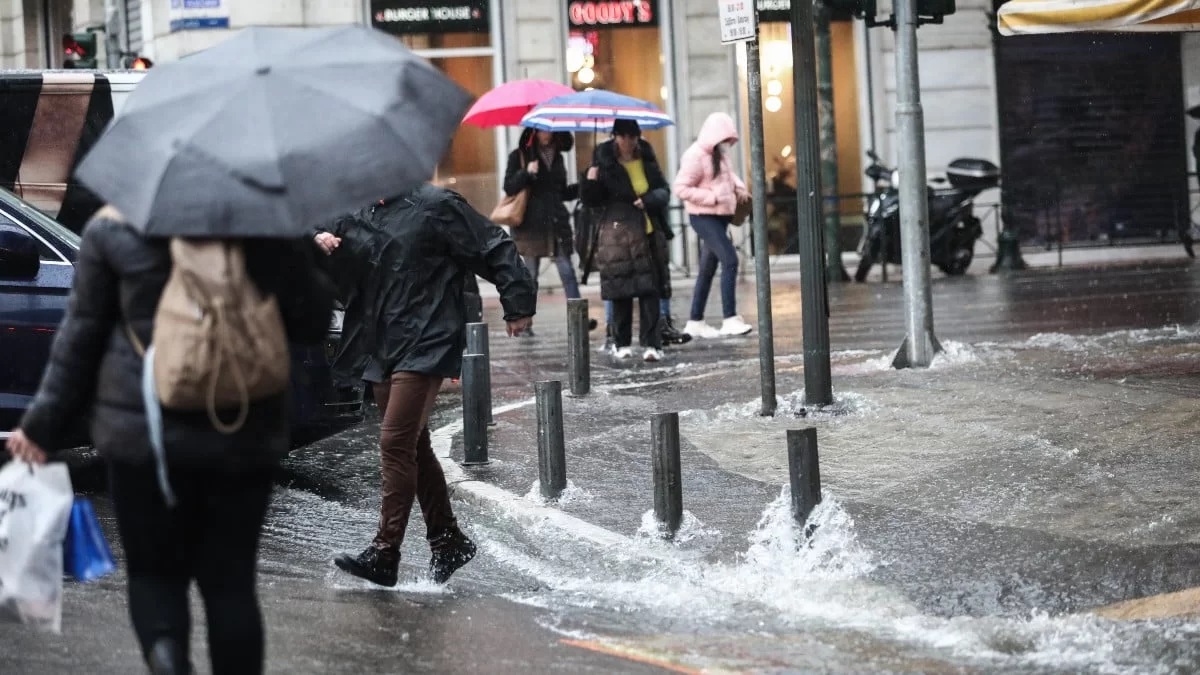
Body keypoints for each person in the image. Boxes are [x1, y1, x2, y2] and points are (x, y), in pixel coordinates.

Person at [6, 210, 336, 674]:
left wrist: (40, 426)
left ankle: (167, 661)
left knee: (155, 576)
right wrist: (301, 255)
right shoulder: (263, 219)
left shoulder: (113, 228)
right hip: (242, 428)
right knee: (231, 583)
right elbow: (313, 320)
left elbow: (80, 338)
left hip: (140, 430)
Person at [316, 183, 535, 588]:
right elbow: (315, 234)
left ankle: (385, 552)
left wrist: (517, 301)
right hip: (381, 343)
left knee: (395, 443)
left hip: (428, 337)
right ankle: (448, 540)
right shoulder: (357, 212)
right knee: (414, 444)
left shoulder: (435, 205)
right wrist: (319, 240)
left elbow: (493, 246)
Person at [581, 119, 670, 362]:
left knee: (650, 289)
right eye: (623, 136)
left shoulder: (647, 160)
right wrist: (590, 180)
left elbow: (663, 190)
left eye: (632, 137)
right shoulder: (603, 163)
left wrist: (648, 199)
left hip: (647, 231)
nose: (628, 142)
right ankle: (621, 343)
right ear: (614, 137)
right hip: (618, 235)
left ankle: (652, 344)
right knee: (622, 289)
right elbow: (591, 201)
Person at [502, 129, 596, 335]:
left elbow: (561, 192)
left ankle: (579, 319)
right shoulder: (520, 155)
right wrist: (526, 173)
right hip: (531, 226)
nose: (546, 134)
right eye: (542, 130)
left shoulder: (558, 156)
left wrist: (585, 184)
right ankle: (525, 323)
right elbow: (508, 186)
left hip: (555, 224)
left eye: (550, 130)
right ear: (534, 131)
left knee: (567, 272)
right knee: (530, 276)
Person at [673, 112, 753, 339]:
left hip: (720, 217)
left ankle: (695, 321)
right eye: (724, 138)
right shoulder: (695, 156)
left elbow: (729, 177)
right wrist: (712, 197)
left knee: (706, 270)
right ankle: (730, 318)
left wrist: (739, 188)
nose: (726, 143)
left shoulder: (719, 155)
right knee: (730, 260)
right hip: (704, 216)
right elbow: (681, 188)